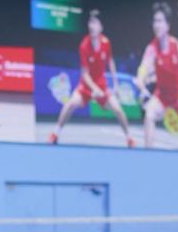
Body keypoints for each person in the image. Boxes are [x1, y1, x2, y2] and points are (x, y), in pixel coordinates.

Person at [49, 10, 134, 147]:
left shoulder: (106, 43)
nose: (91, 26)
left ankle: (129, 138)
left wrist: (115, 84)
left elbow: (110, 61)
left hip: (102, 87)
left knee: (118, 109)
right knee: (70, 104)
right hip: (86, 87)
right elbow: (85, 74)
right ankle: (55, 134)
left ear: (101, 27)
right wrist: (94, 89)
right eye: (90, 22)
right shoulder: (84, 45)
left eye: (95, 23)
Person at [134, 2, 178, 148]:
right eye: (155, 21)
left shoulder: (176, 45)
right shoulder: (152, 48)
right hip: (162, 96)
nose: (156, 25)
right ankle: (147, 154)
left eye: (160, 21)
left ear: (167, 25)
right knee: (149, 115)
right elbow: (144, 65)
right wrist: (140, 78)